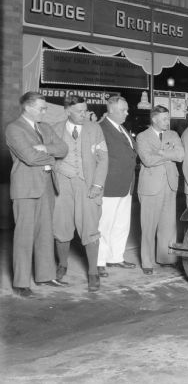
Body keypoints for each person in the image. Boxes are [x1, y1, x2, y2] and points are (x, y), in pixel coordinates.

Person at [5, 92, 68, 298]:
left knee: (45, 233)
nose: (45, 111)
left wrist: (44, 148)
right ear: (28, 108)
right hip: (26, 188)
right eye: (42, 108)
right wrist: (50, 156)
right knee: (24, 235)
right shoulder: (14, 129)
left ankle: (45, 275)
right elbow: (30, 158)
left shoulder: (46, 127)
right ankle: (21, 282)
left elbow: (64, 148)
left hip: (47, 186)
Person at [51, 95, 108, 292]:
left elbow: (103, 158)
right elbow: (48, 157)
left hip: (87, 184)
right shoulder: (55, 129)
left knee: (90, 228)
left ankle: (92, 272)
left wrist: (98, 185)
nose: (85, 114)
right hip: (62, 184)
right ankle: (62, 264)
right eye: (80, 111)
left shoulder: (95, 129)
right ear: (67, 111)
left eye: (85, 110)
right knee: (61, 227)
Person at [137, 105, 184, 275]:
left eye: (168, 118)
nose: (167, 121)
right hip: (150, 187)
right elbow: (147, 160)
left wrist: (161, 153)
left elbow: (180, 155)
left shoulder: (173, 134)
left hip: (170, 184)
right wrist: (167, 154)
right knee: (148, 226)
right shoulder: (142, 137)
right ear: (154, 119)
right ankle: (147, 261)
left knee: (168, 225)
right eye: (164, 119)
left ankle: (166, 258)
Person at [97, 95, 137, 277]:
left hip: (126, 185)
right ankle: (99, 261)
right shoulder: (101, 129)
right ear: (111, 110)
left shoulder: (122, 129)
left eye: (127, 109)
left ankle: (116, 257)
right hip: (110, 186)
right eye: (123, 110)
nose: (127, 113)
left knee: (121, 224)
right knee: (104, 225)